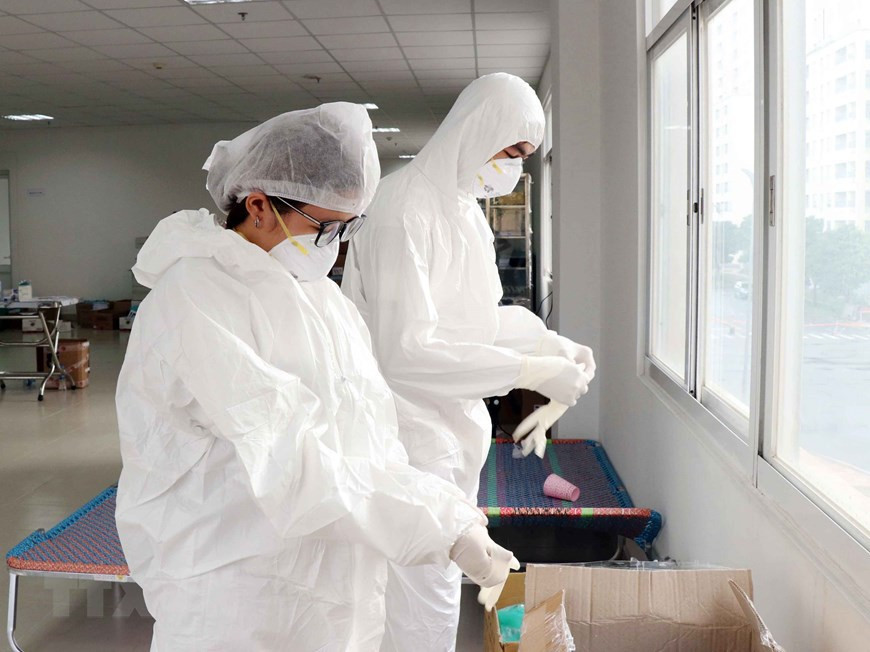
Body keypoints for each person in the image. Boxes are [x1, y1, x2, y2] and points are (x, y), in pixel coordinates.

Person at [115, 103, 518, 652]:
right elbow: (288, 453)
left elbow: (369, 438)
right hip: (233, 585)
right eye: (325, 226)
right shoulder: (196, 299)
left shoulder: (320, 297)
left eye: (348, 227)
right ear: (258, 205)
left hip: (327, 578)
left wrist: (448, 512)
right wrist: (438, 524)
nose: (334, 243)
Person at [342, 74, 597, 651]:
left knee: (429, 592)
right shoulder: (402, 210)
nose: (515, 166)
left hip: (449, 427)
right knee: (417, 598)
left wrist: (548, 344)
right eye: (512, 150)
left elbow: (472, 322)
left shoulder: (462, 209)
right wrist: (528, 372)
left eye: (526, 156)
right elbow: (405, 353)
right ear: (477, 131)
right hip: (404, 432)